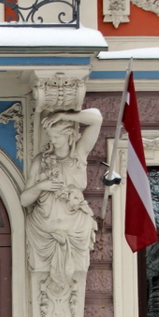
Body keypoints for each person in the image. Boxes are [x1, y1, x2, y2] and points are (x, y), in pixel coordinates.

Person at [21, 108, 102, 288]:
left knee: (74, 277)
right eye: (51, 136)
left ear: (68, 135)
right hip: (43, 232)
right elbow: (24, 200)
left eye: (56, 136)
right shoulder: (40, 161)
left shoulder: (78, 155)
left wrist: (64, 115)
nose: (53, 140)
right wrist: (41, 186)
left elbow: (96, 119)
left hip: (75, 230)